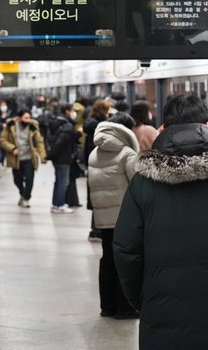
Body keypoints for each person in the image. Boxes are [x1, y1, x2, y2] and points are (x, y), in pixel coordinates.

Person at [113, 94, 208, 349]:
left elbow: (125, 249)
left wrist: (143, 298)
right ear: (207, 125)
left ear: (163, 128)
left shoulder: (143, 183)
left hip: (161, 310)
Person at [88, 112, 139, 319]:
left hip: (103, 216)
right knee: (124, 260)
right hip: (123, 216)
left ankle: (107, 306)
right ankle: (124, 308)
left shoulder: (95, 152)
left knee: (107, 258)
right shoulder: (127, 153)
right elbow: (137, 184)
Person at [0, 109, 47, 208]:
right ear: (20, 118)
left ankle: (26, 198)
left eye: (29, 118)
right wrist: (12, 149)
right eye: (25, 118)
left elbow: (39, 142)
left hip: (29, 158)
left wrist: (42, 156)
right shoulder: (11, 126)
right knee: (17, 180)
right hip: (16, 159)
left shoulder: (33, 127)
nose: (27, 120)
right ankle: (22, 193)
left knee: (30, 180)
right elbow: (3, 140)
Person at [83, 99, 113, 240]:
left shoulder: (90, 123)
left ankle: (95, 230)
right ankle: (97, 230)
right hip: (99, 163)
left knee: (97, 197)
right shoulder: (100, 127)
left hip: (92, 164)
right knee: (101, 198)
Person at [47, 104, 81, 214]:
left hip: (58, 158)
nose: (73, 113)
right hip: (63, 158)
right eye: (72, 110)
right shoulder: (67, 126)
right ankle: (59, 205)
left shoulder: (56, 122)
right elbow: (62, 142)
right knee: (63, 182)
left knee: (58, 181)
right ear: (67, 111)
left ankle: (56, 204)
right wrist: (78, 133)